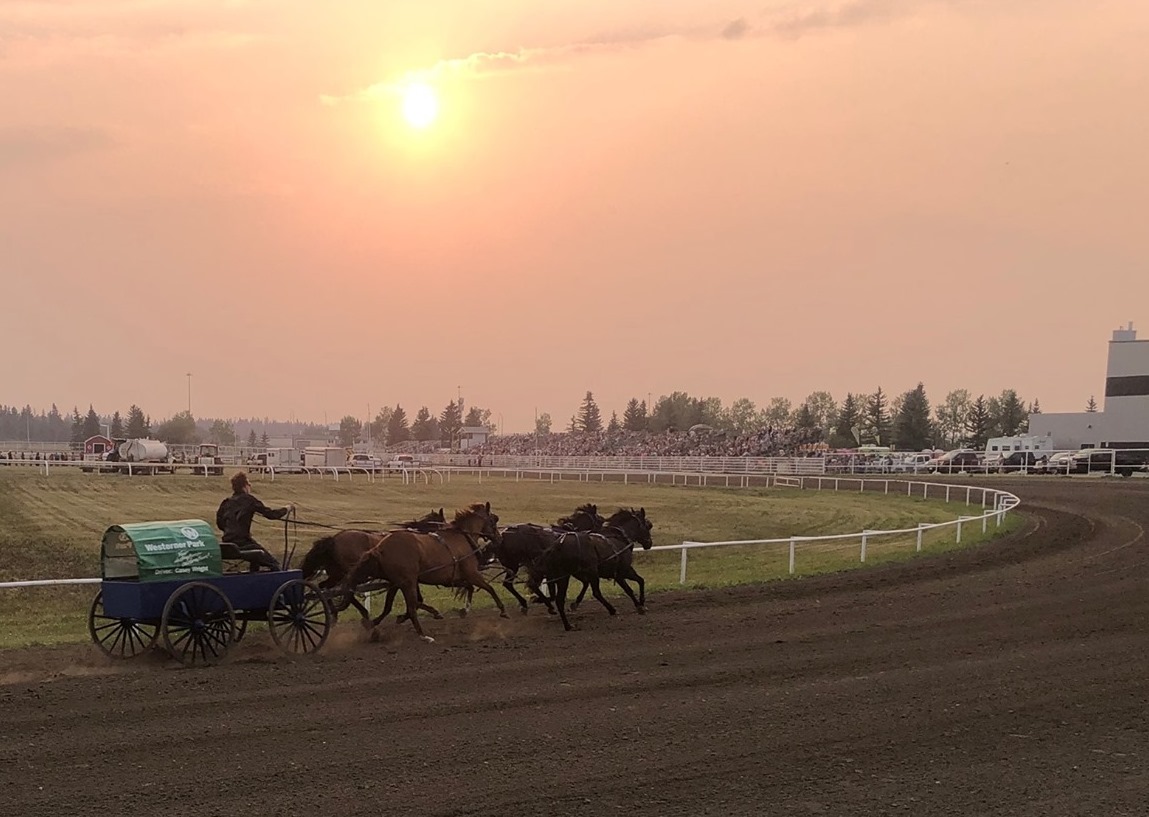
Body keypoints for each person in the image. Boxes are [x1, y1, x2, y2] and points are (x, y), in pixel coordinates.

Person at [215, 471, 294, 572]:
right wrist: (286, 509)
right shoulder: (249, 500)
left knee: (255, 556)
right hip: (243, 544)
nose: (250, 486)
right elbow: (271, 514)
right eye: (249, 484)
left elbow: (220, 524)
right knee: (273, 563)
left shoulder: (226, 502)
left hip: (227, 544)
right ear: (244, 486)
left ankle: (254, 575)